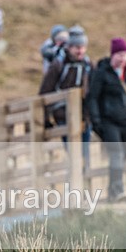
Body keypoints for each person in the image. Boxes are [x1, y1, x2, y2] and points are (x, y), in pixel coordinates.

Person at [87, 37, 126, 202]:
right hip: (109, 121)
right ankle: (119, 188)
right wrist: (96, 121)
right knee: (116, 154)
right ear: (112, 55)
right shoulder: (101, 73)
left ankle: (113, 191)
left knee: (124, 156)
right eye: (119, 54)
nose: (122, 59)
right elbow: (92, 97)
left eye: (125, 54)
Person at [39, 25, 93, 168]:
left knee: (85, 157)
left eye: (82, 47)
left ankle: (84, 186)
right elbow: (45, 92)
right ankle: (76, 185)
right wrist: (45, 119)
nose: (80, 51)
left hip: (83, 115)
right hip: (63, 114)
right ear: (69, 47)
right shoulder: (59, 64)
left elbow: (93, 89)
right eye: (76, 47)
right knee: (74, 156)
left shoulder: (87, 64)